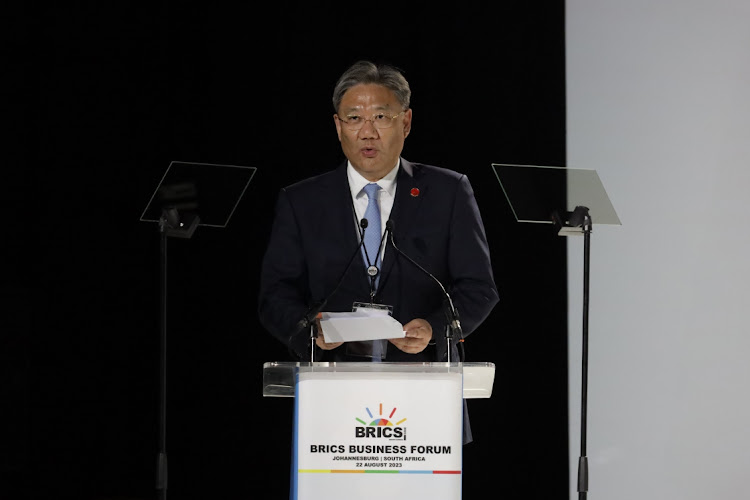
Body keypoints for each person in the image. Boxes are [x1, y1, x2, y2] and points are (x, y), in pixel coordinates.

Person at [258, 59, 499, 365]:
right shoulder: (301, 201)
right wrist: (308, 331)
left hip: (423, 376)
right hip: (330, 379)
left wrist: (434, 328)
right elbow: (275, 294)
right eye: (354, 118)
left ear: (406, 122)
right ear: (338, 126)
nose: (367, 132)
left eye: (381, 117)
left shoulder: (447, 192)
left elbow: (479, 287)